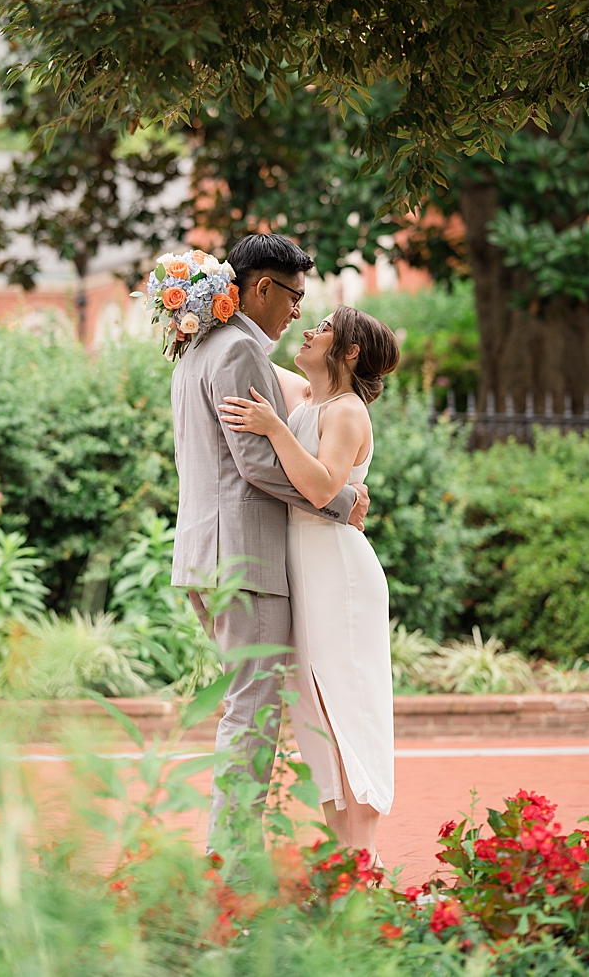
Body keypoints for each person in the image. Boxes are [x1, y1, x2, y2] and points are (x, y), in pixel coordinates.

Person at [169, 233, 370, 850]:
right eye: (292, 298)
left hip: (208, 555)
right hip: (246, 562)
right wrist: (342, 504)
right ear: (261, 287)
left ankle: (232, 859)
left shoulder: (197, 347)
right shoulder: (237, 351)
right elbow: (255, 465)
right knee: (252, 716)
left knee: (248, 706)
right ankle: (232, 869)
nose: (295, 313)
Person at [219, 305, 400, 864]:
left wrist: (272, 427)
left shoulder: (346, 412)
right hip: (308, 567)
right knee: (313, 709)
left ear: (348, 353)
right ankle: (340, 856)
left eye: (322, 328)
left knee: (346, 703)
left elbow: (323, 490)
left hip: (340, 574)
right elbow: (255, 358)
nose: (308, 330)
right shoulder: (310, 398)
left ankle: (361, 859)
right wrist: (196, 301)